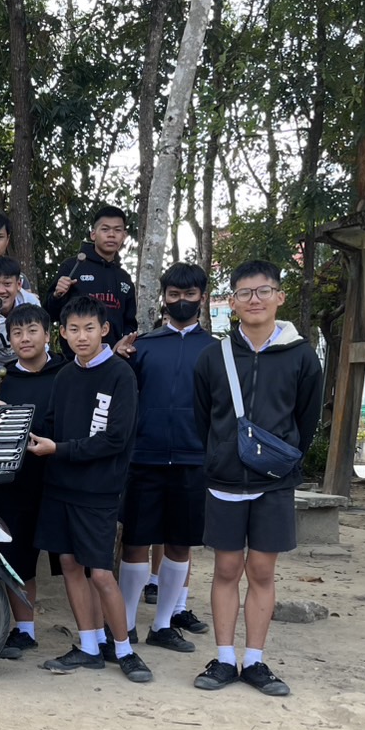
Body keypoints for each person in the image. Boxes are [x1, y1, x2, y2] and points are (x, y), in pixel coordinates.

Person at [191, 261, 323, 697]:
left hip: (274, 481)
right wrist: (221, 454)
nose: (255, 300)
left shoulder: (302, 356)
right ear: (231, 302)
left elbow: (306, 419)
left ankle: (255, 661)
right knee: (226, 568)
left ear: (279, 297)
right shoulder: (214, 356)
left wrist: (281, 457)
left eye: (263, 291)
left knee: (263, 570)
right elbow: (202, 418)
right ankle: (224, 658)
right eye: (244, 293)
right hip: (225, 479)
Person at [28, 296, 151, 683]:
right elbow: (50, 425)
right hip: (59, 485)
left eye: (89, 328)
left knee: (100, 572)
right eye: (74, 329)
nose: (82, 337)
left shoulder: (120, 375)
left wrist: (59, 449)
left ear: (105, 330)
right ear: (62, 334)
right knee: (68, 564)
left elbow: (116, 439)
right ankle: (88, 645)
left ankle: (124, 649)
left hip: (98, 490)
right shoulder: (65, 375)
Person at [113, 262, 218, 653]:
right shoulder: (141, 346)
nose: (181, 301)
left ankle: (163, 624)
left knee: (180, 544)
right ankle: (124, 624)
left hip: (194, 459)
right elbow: (120, 395)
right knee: (135, 542)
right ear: (164, 297)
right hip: (144, 457)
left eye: (189, 294)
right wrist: (118, 356)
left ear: (202, 297)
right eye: (174, 294)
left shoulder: (217, 350)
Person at [0, 303, 66, 659]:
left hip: (60, 479)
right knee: (17, 559)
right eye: (17, 333)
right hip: (15, 482)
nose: (25, 338)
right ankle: (24, 631)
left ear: (47, 334)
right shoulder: (4, 380)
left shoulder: (67, 374)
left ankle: (98, 636)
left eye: (32, 330)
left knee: (75, 562)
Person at [46, 205, 137, 343]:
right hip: (75, 353)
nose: (111, 235)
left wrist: (123, 344)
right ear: (93, 234)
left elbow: (130, 323)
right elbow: (49, 314)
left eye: (117, 230)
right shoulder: (72, 267)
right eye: (105, 229)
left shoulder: (124, 278)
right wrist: (57, 295)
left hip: (112, 354)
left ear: (124, 236)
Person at [0, 257, 42, 370]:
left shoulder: (32, 303)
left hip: (22, 365)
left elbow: (41, 344)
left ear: (19, 284)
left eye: (7, 283)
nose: (1, 291)